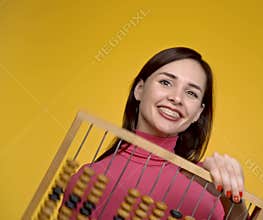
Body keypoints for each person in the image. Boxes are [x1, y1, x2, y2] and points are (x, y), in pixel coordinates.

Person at [61, 47, 247, 219]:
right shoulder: (88, 180)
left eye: (191, 93)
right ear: (139, 90)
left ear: (198, 113)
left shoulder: (209, 184)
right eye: (166, 82)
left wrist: (233, 200)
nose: (176, 98)